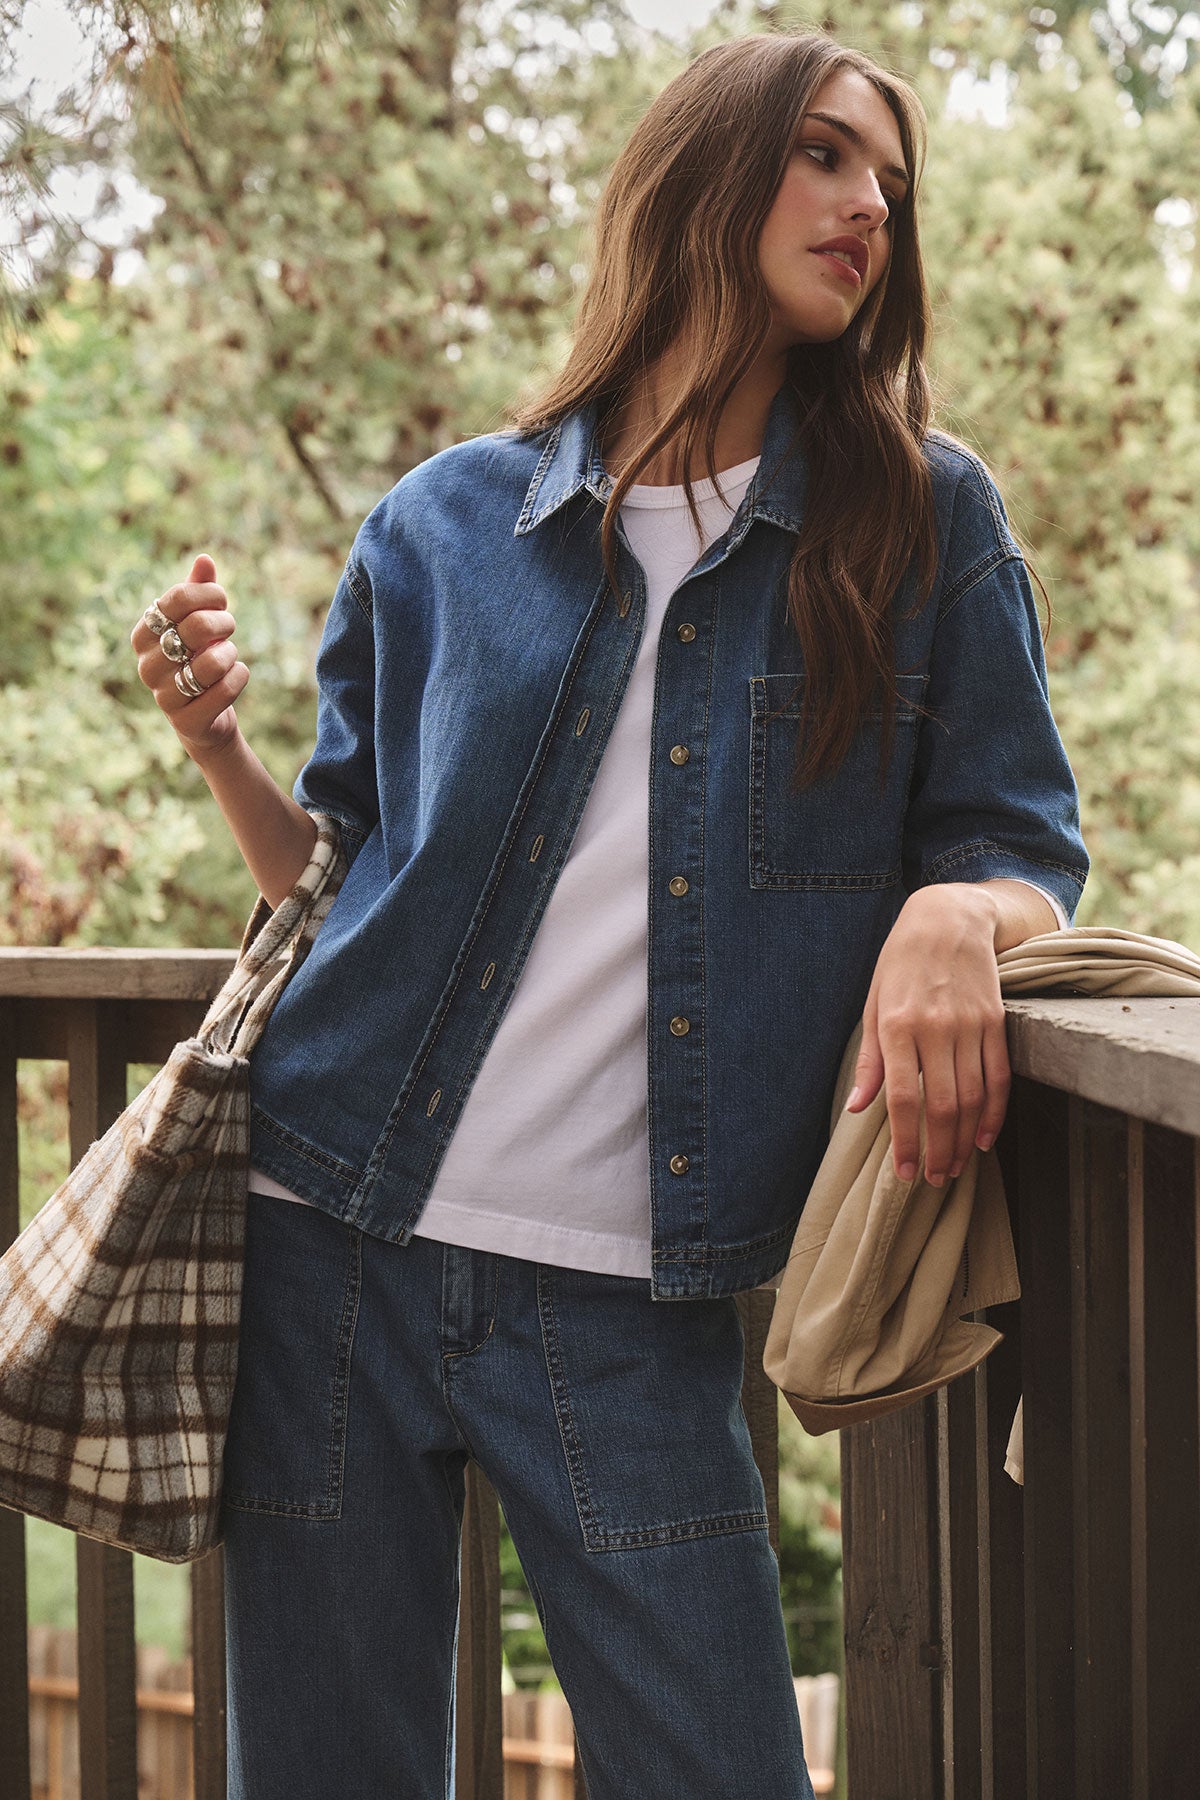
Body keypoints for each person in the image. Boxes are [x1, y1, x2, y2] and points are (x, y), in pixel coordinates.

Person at [131, 26, 1088, 1800]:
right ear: (698, 179)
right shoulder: (442, 526)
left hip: (635, 1304)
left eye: (887, 178)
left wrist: (961, 916)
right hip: (333, 1241)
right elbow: (337, 888)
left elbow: (1025, 836)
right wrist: (217, 750)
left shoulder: (920, 517)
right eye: (819, 154)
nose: (866, 203)